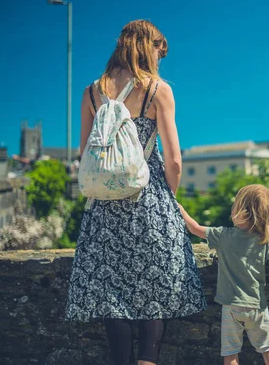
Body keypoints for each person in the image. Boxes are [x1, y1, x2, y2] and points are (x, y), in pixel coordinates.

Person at [65, 20, 207, 365]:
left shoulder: (91, 92)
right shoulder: (158, 90)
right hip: (150, 200)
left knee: (113, 291)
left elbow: (85, 153)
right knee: (154, 287)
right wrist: (168, 200)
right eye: (161, 51)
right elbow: (173, 159)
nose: (161, 59)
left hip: (105, 205)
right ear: (149, 46)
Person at [178, 184, 269, 365]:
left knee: (231, 352)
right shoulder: (264, 240)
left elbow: (194, 228)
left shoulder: (223, 236)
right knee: (267, 347)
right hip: (256, 306)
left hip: (231, 307)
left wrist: (181, 210)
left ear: (241, 210)